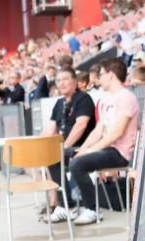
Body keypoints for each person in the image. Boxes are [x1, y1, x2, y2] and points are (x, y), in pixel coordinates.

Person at [68, 57, 139, 225]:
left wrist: (90, 151)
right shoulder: (109, 99)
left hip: (119, 153)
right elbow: (99, 130)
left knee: (77, 164)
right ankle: (66, 206)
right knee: (60, 155)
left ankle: (92, 209)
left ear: (111, 75)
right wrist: (82, 148)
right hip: (107, 148)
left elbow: (117, 133)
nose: (99, 79)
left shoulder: (127, 97)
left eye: (101, 74)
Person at [39, 67, 96, 221]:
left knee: (54, 156)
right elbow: (50, 129)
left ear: (75, 81)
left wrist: (62, 147)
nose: (61, 83)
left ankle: (65, 205)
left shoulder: (83, 99)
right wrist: (37, 145)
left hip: (82, 147)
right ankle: (60, 204)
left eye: (65, 79)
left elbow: (81, 126)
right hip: (65, 148)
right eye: (58, 80)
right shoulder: (59, 103)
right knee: (46, 156)